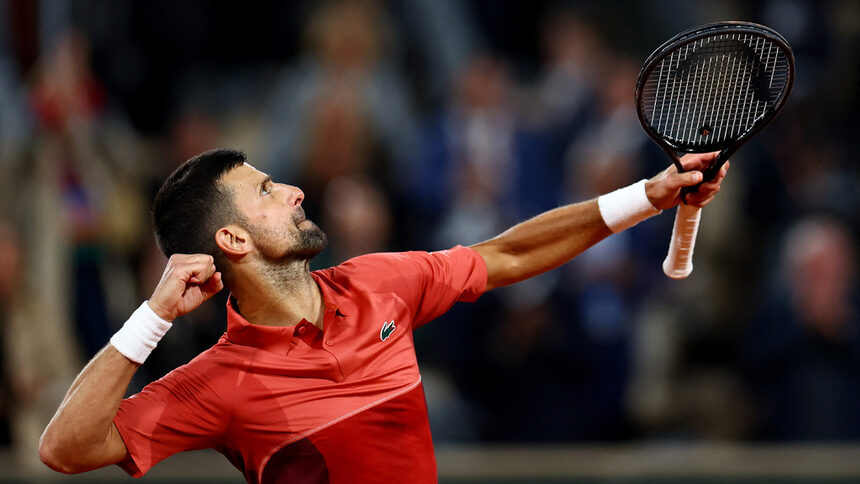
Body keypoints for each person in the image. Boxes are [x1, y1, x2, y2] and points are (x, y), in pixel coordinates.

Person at [39, 148, 728, 483]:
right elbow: (64, 449)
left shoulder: (382, 285)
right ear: (232, 241)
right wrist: (154, 315)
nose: (296, 190)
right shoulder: (216, 382)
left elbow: (510, 253)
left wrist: (652, 193)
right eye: (269, 191)